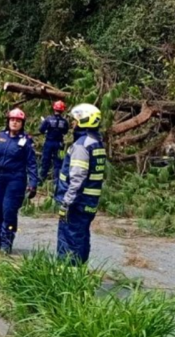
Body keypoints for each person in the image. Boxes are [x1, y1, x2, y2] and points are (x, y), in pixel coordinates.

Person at [0, 108, 38, 254]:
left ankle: (6, 243)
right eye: (12, 120)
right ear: (8, 121)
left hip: (16, 179)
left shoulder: (26, 141)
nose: (14, 123)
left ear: (22, 123)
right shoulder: (0, 137)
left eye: (18, 121)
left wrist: (33, 183)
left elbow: (31, 164)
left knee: (9, 211)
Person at [56, 103, 106, 264]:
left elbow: (77, 178)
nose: (73, 123)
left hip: (77, 203)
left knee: (69, 238)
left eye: (76, 120)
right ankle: (79, 272)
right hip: (89, 202)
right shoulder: (96, 142)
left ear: (84, 121)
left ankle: (66, 274)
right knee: (81, 237)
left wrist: (66, 203)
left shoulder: (81, 145)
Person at [38, 100, 70, 183]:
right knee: (59, 161)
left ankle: (41, 179)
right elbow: (65, 131)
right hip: (60, 144)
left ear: (54, 108)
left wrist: (47, 130)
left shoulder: (48, 119)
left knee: (45, 160)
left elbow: (41, 130)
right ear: (63, 110)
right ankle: (57, 181)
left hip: (48, 143)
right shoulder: (65, 121)